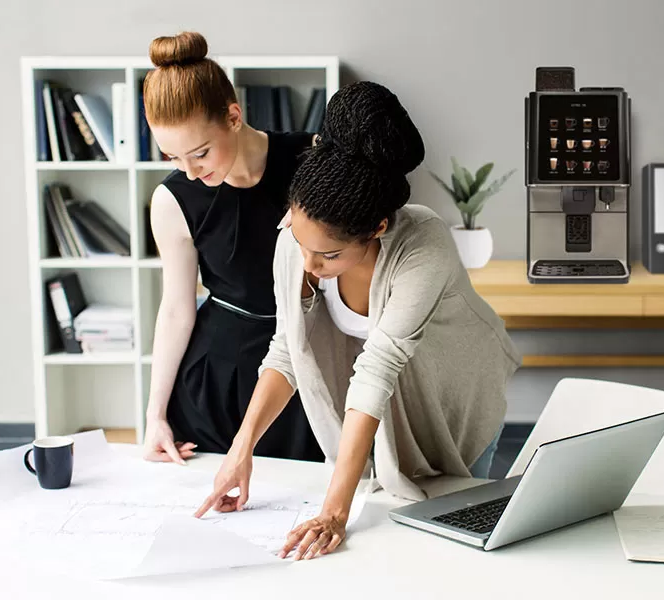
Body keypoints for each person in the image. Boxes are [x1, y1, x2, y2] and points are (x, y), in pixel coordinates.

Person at [194, 81, 521, 560]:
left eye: (327, 255)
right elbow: (287, 348)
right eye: (301, 243)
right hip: (382, 411)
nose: (309, 264)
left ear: (377, 229)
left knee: (456, 546)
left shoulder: (423, 244)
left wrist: (334, 512)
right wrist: (240, 452)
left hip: (453, 402)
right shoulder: (296, 242)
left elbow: (377, 368)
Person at [140, 31, 323, 464]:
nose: (188, 171)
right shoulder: (172, 201)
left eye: (199, 152)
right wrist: (154, 415)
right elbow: (175, 310)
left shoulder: (312, 160)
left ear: (234, 116)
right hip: (217, 375)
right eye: (172, 158)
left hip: (306, 359)